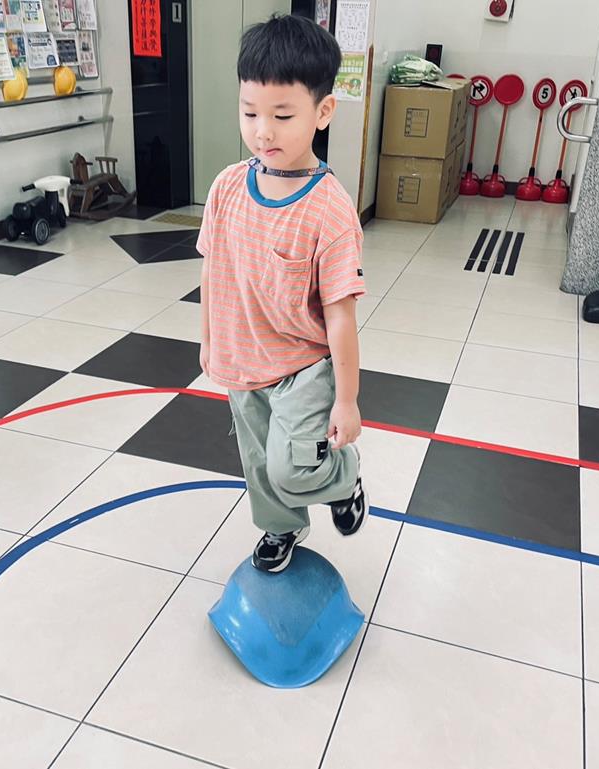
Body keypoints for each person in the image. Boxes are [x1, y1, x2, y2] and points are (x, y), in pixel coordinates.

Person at [196, 14, 367, 573]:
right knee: (258, 464)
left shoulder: (330, 210)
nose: (263, 131)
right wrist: (208, 340)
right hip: (242, 358)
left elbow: (340, 317)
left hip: (303, 365)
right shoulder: (226, 187)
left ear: (323, 112)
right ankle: (281, 526)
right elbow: (212, 270)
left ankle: (343, 478)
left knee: (291, 468)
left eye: (282, 115)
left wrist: (347, 400)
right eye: (250, 113)